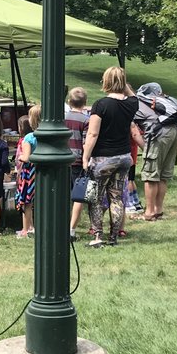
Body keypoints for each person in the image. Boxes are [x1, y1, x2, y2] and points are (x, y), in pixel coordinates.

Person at [80, 66, 141, 248]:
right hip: (124, 157)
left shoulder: (101, 105)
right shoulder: (132, 104)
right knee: (116, 197)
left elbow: (92, 134)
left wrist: (85, 157)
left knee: (96, 198)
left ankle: (98, 235)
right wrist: (122, 83)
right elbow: (132, 95)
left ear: (105, 81)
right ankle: (113, 237)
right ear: (123, 82)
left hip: (103, 158)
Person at [135, 82, 177, 220]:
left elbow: (134, 131)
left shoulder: (139, 103)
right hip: (176, 131)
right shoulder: (167, 100)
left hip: (159, 135)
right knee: (163, 176)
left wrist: (146, 148)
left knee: (150, 175)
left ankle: (149, 213)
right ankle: (158, 210)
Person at [65, 87, 91, 236]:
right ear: (85, 102)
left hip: (63, 160)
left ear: (69, 101)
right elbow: (86, 142)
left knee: (63, 194)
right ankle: (71, 229)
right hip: (78, 161)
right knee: (78, 196)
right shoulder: (86, 120)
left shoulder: (63, 118)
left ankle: (61, 223)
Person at [13, 106, 39, 238]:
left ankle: (25, 229)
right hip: (41, 171)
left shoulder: (29, 138)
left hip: (29, 173)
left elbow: (26, 157)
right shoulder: (46, 136)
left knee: (27, 202)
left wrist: (20, 157)